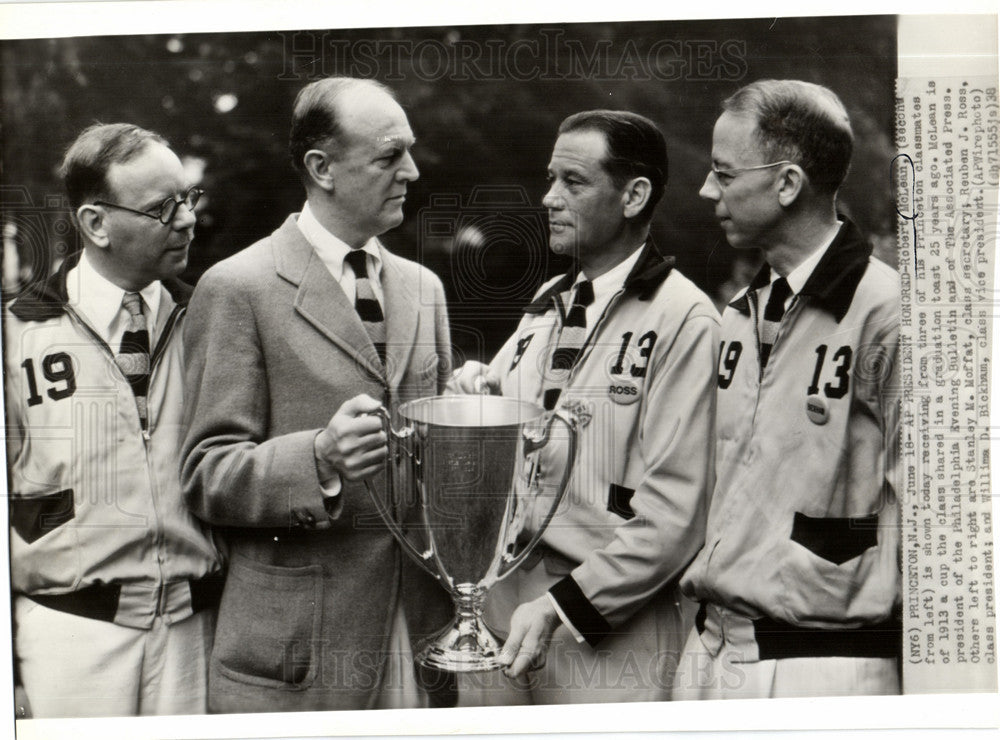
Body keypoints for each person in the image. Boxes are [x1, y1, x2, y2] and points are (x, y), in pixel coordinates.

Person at [180, 77, 455, 713]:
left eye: (409, 152)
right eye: (389, 156)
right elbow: (204, 474)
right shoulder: (237, 287)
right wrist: (319, 460)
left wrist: (468, 412)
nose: (411, 171)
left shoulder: (424, 288)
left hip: (418, 630)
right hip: (298, 653)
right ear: (320, 168)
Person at [452, 110, 719, 704]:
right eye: (551, 179)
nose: (549, 198)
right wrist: (475, 391)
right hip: (502, 608)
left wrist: (563, 607)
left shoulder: (685, 319)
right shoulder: (548, 304)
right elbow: (511, 419)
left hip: (599, 629)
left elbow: (677, 515)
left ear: (634, 196)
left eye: (573, 182)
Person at [674, 79, 901, 699]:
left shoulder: (889, 310)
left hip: (821, 666)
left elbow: (939, 523)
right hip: (710, 647)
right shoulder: (740, 311)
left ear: (787, 183)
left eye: (724, 173)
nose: (706, 190)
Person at [4, 123, 224, 718]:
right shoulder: (16, 332)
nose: (185, 219)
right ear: (95, 223)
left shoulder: (211, 317)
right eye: (161, 207)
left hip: (195, 634)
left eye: (188, 199)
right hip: (69, 640)